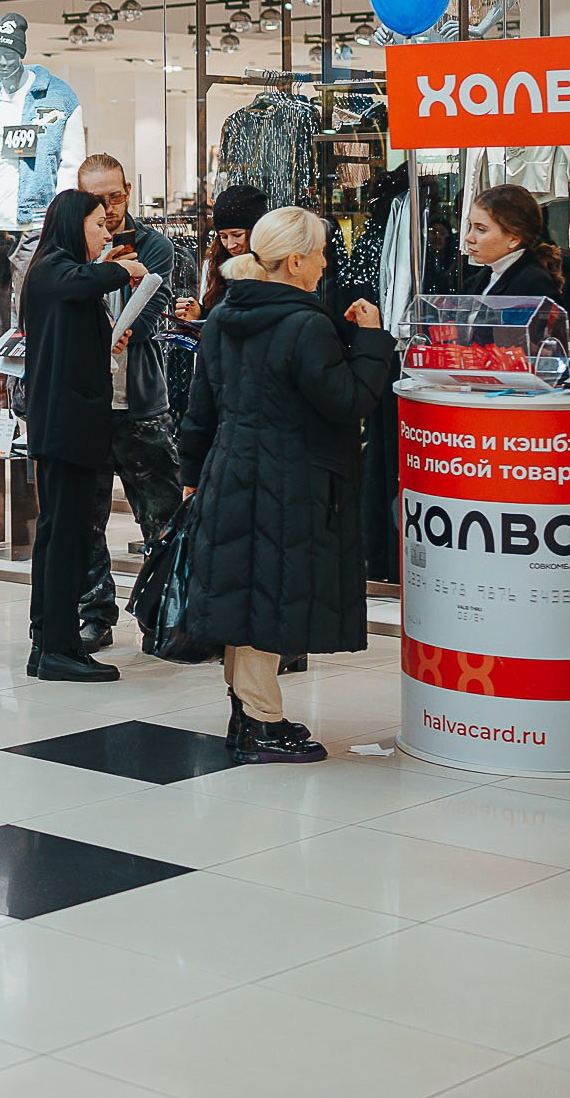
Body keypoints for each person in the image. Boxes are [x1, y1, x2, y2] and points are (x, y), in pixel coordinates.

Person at [178, 206, 394, 758]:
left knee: (243, 592)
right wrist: (371, 341)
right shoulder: (306, 324)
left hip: (232, 467)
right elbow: (348, 401)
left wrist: (191, 475)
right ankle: (260, 723)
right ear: (296, 260)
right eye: (320, 252)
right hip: (290, 477)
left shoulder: (226, 314)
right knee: (268, 596)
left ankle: (250, 714)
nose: (325, 263)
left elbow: (200, 406)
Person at [21, 185, 150, 681]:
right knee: (66, 533)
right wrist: (125, 269)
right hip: (65, 425)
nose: (104, 232)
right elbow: (78, 283)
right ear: (75, 223)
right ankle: (56, 647)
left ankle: (51, 640)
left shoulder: (58, 271)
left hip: (69, 423)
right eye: (98, 224)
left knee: (64, 532)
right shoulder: (54, 268)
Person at [71, 154, 186, 655]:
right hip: (90, 406)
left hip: (140, 404)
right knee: (87, 521)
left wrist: (122, 329)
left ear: (128, 192)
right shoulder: (71, 249)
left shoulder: (155, 247)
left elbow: (153, 311)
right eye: (96, 199)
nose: (108, 208)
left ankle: (162, 613)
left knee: (161, 520)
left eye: (115, 196)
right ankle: (94, 614)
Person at [460, 182, 567, 302]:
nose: (469, 238)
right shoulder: (482, 277)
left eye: (481, 229)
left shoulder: (534, 284)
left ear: (514, 239)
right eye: (470, 226)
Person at [182, 183, 267, 320]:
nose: (230, 244)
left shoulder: (276, 269)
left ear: (257, 233)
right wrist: (199, 314)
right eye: (223, 237)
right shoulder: (215, 264)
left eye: (237, 235)